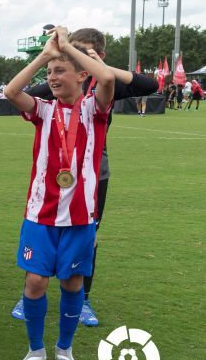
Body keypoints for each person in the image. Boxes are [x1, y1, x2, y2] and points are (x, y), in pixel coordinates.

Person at [10, 27, 157, 327]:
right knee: (39, 265)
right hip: (52, 182)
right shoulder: (51, 97)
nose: (57, 70)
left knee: (86, 240)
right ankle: (32, 291)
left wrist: (80, 56)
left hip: (91, 174)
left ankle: (82, 298)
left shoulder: (98, 96)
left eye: (79, 54)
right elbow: (15, 92)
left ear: (94, 58)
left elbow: (144, 83)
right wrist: (51, 57)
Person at [4, 27, 114, 360]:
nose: (52, 77)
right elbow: (10, 91)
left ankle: (64, 349)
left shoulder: (95, 109)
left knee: (72, 285)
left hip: (80, 217)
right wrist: (45, 55)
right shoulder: (42, 110)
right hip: (40, 214)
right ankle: (35, 350)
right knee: (35, 282)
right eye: (49, 72)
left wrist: (68, 47)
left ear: (82, 75)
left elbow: (108, 77)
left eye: (59, 70)